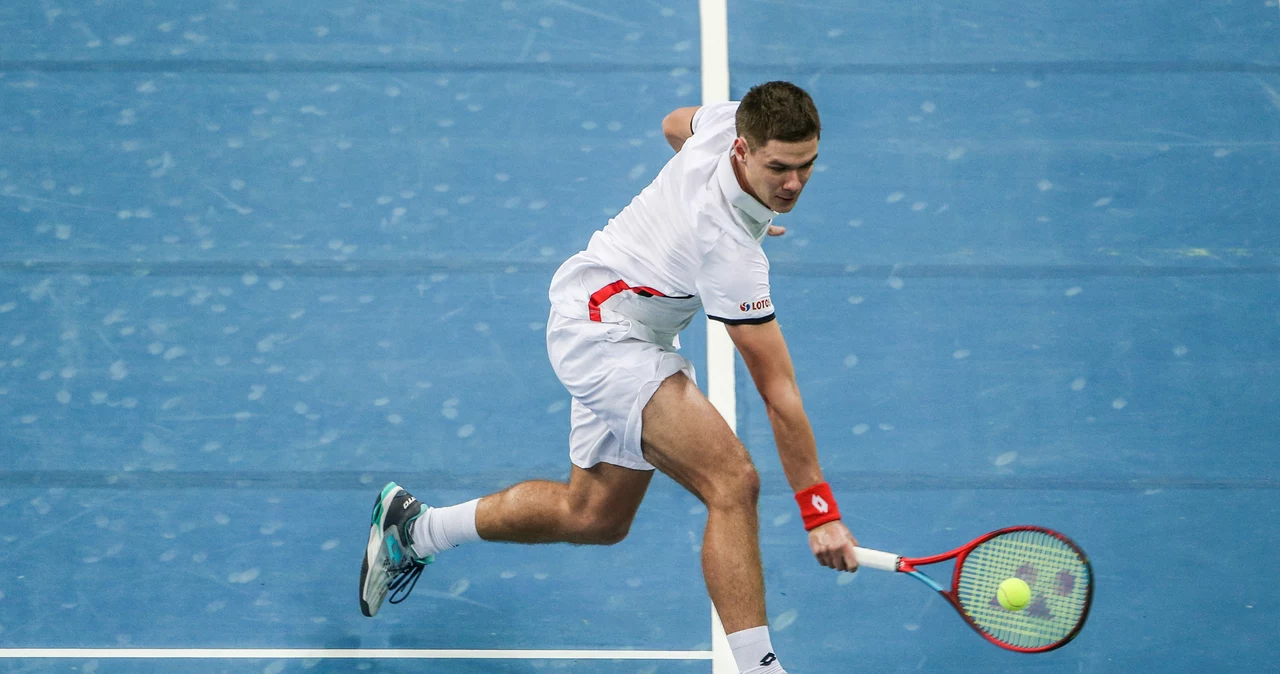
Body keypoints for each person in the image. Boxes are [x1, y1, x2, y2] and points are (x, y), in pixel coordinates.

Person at [359, 80, 860, 674]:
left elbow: (677, 123)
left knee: (595, 516)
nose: (794, 184)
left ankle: (413, 531)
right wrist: (820, 512)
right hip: (602, 332)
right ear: (743, 150)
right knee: (732, 483)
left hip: (615, 308)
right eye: (779, 168)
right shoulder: (727, 252)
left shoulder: (726, 124)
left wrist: (742, 208)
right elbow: (778, 394)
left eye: (807, 166)